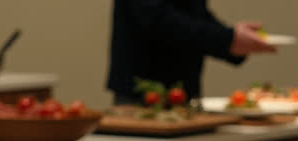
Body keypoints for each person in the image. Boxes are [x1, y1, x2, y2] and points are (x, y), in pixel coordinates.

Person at [107, 0, 276, 105]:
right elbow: (157, 19)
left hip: (185, 90)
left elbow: (196, 14)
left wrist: (233, 40)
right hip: (142, 90)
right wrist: (228, 39)